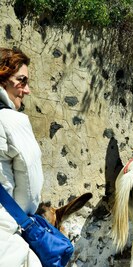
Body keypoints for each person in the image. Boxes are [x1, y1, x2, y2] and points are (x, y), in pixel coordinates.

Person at [0, 47, 43, 266]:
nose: (26, 90)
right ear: (2, 79)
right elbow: (31, 188)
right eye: (21, 81)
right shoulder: (12, 120)